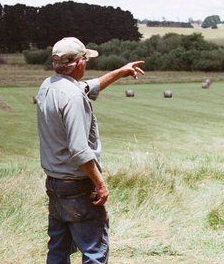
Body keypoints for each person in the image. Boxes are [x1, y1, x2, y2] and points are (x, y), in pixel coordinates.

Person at [36, 37, 145, 263]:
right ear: (79, 64)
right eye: (85, 59)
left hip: (55, 183)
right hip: (77, 185)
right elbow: (79, 149)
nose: (87, 64)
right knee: (94, 251)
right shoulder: (74, 97)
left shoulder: (49, 85)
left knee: (58, 250)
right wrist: (100, 184)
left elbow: (91, 86)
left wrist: (121, 71)